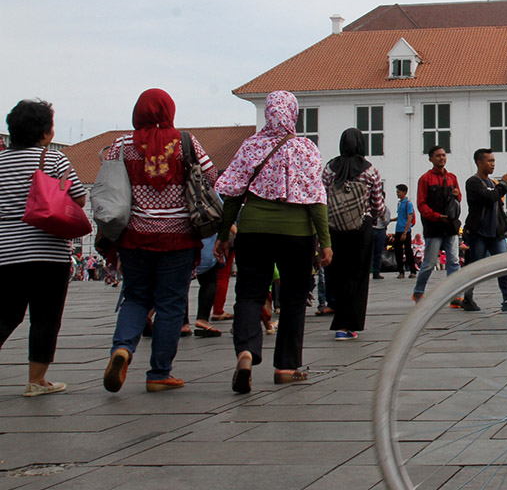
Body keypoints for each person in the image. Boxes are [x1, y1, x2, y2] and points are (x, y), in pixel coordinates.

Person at [214, 90, 332, 392]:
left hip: (253, 229)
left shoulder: (251, 146)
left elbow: (232, 194)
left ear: (268, 113)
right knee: (293, 299)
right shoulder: (306, 148)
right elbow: (317, 199)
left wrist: (224, 234)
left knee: (250, 294)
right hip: (296, 234)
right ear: (293, 114)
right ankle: (286, 367)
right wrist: (325, 242)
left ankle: (245, 352)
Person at [101, 89, 217, 393]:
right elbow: (212, 177)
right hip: (177, 237)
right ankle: (159, 373)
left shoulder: (122, 145)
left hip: (135, 237)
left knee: (136, 297)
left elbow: (108, 180)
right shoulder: (186, 142)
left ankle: (122, 349)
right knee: (170, 305)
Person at [0, 99, 85, 396]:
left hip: (7, 252)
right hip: (48, 251)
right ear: (46, 132)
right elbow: (78, 198)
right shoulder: (55, 160)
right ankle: (36, 380)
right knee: (46, 316)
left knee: (7, 313)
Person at [323, 129, 385, 340]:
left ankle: (339, 321)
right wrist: (373, 217)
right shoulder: (370, 170)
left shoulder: (330, 169)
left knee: (338, 274)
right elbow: (377, 204)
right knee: (357, 276)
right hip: (361, 227)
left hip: (334, 227)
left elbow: (321, 197)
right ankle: (350, 325)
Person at [459, 148, 507, 312]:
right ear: (479, 162)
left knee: (503, 266)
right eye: (489, 161)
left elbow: (498, 204)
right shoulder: (473, 182)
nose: (493, 164)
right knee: (475, 268)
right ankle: (467, 298)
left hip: (496, 233)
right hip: (479, 233)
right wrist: (503, 184)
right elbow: (489, 198)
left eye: (494, 161)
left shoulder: (492, 183)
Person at [413, 145, 463, 305]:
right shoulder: (425, 179)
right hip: (434, 227)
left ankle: (454, 296)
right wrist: (436, 216)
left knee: (454, 261)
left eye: (443, 155)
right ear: (431, 159)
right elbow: (421, 204)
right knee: (428, 263)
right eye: (438, 156)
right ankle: (418, 292)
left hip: (451, 226)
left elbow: (459, 198)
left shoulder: (452, 178)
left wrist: (457, 195)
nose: (441, 158)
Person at [392, 183, 417, 277]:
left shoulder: (408, 203)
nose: (397, 194)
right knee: (397, 251)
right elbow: (400, 217)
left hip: (405, 230)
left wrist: (405, 232)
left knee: (408, 251)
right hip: (398, 230)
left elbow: (409, 218)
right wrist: (391, 220)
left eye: (398, 192)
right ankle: (401, 271)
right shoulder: (399, 203)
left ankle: (412, 271)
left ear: (404, 192)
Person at [370, 187, 391, 279]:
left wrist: (382, 217)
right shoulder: (370, 208)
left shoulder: (386, 210)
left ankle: (376, 272)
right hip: (372, 229)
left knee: (378, 253)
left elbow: (387, 222)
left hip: (381, 230)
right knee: (369, 252)